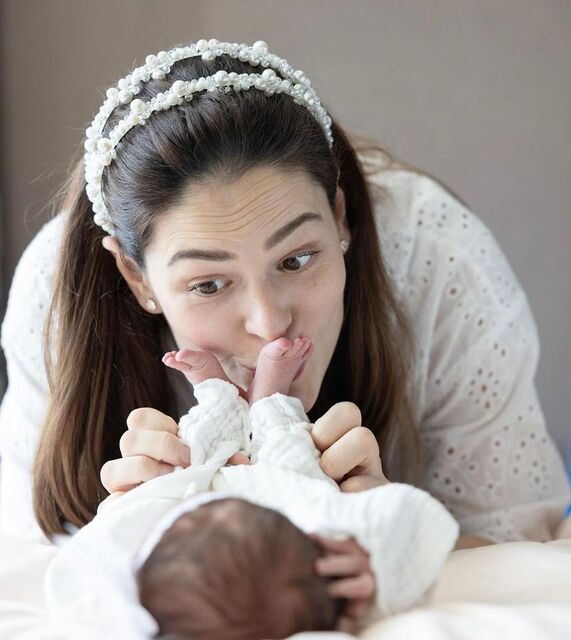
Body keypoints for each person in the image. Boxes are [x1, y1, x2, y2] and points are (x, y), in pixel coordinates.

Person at [0, 36, 569, 560]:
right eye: (208, 285)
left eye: (297, 260)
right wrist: (123, 537)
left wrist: (394, 530)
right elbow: (25, 559)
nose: (271, 324)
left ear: (339, 219)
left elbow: (523, 545)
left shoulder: (436, 257)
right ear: (137, 278)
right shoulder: (56, 296)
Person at [45, 335, 458, 639]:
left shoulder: (139, 600)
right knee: (290, 449)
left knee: (190, 455)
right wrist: (377, 560)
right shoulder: (325, 559)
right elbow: (424, 520)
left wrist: (119, 537)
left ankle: (217, 396)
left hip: (188, 491)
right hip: (286, 500)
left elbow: (77, 579)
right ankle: (270, 398)